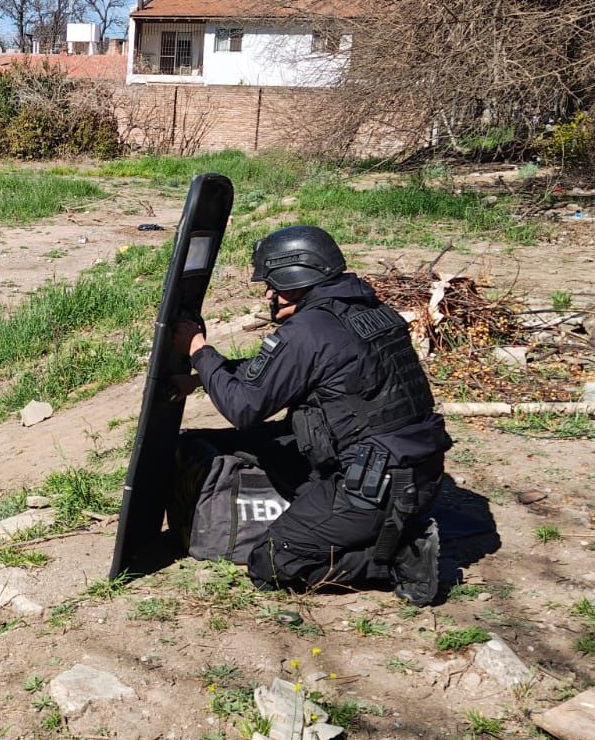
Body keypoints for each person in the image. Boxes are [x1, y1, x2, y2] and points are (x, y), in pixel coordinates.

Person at [172, 225, 451, 605]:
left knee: (272, 561)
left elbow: (244, 408)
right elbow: (282, 372)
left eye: (273, 283)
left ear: (297, 276)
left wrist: (199, 350)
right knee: (231, 444)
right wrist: (205, 377)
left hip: (371, 485)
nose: (269, 294)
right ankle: (379, 529)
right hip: (411, 468)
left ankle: (398, 557)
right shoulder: (365, 312)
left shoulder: (310, 329)